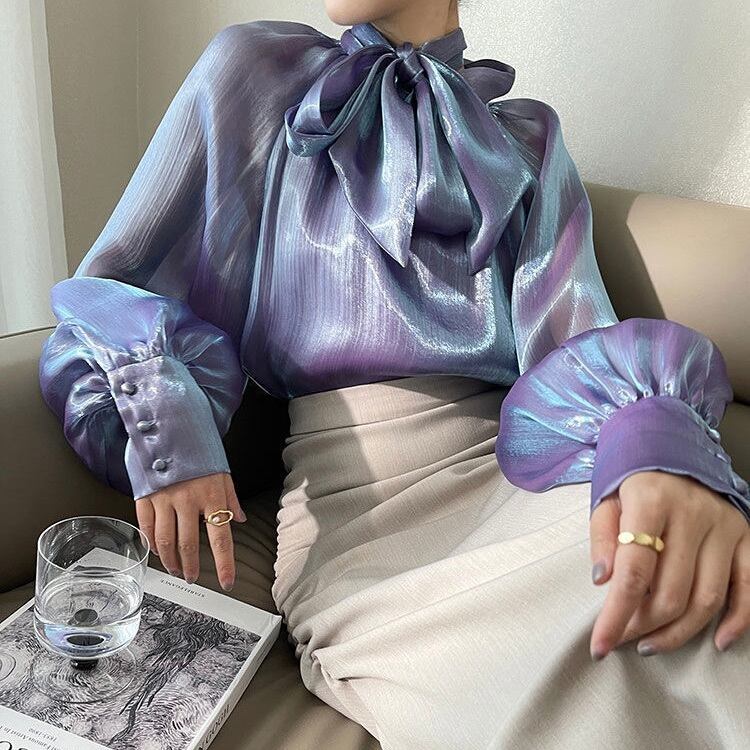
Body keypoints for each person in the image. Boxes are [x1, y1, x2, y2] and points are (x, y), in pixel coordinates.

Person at [38, 0, 750, 747]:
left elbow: (575, 349)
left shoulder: (528, 142)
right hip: (360, 535)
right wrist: (164, 409)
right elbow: (103, 292)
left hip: (522, 491)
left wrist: (656, 442)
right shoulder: (251, 73)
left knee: (692, 609)